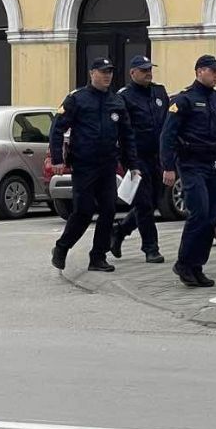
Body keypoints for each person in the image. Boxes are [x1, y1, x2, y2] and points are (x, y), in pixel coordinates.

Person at [161, 55, 216, 288]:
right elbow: (167, 136)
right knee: (199, 212)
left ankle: (197, 266)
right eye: (213, 71)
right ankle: (184, 263)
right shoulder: (184, 100)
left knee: (211, 217)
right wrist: (168, 167)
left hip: (215, 163)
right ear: (199, 72)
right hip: (191, 163)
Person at [48, 58, 138, 272]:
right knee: (83, 211)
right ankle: (62, 247)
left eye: (110, 72)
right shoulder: (77, 99)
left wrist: (132, 164)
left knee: (108, 210)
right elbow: (57, 129)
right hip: (84, 164)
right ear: (92, 73)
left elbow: (127, 135)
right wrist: (57, 159)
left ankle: (98, 257)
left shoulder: (116, 101)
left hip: (107, 164)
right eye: (103, 71)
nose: (107, 75)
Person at [109, 55, 169, 263]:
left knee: (153, 202)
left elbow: (167, 125)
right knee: (143, 203)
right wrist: (125, 158)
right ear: (132, 73)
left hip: (158, 156)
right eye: (143, 70)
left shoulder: (159, 92)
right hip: (136, 157)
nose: (148, 73)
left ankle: (120, 230)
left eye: (150, 69)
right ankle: (150, 247)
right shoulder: (124, 96)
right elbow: (119, 129)